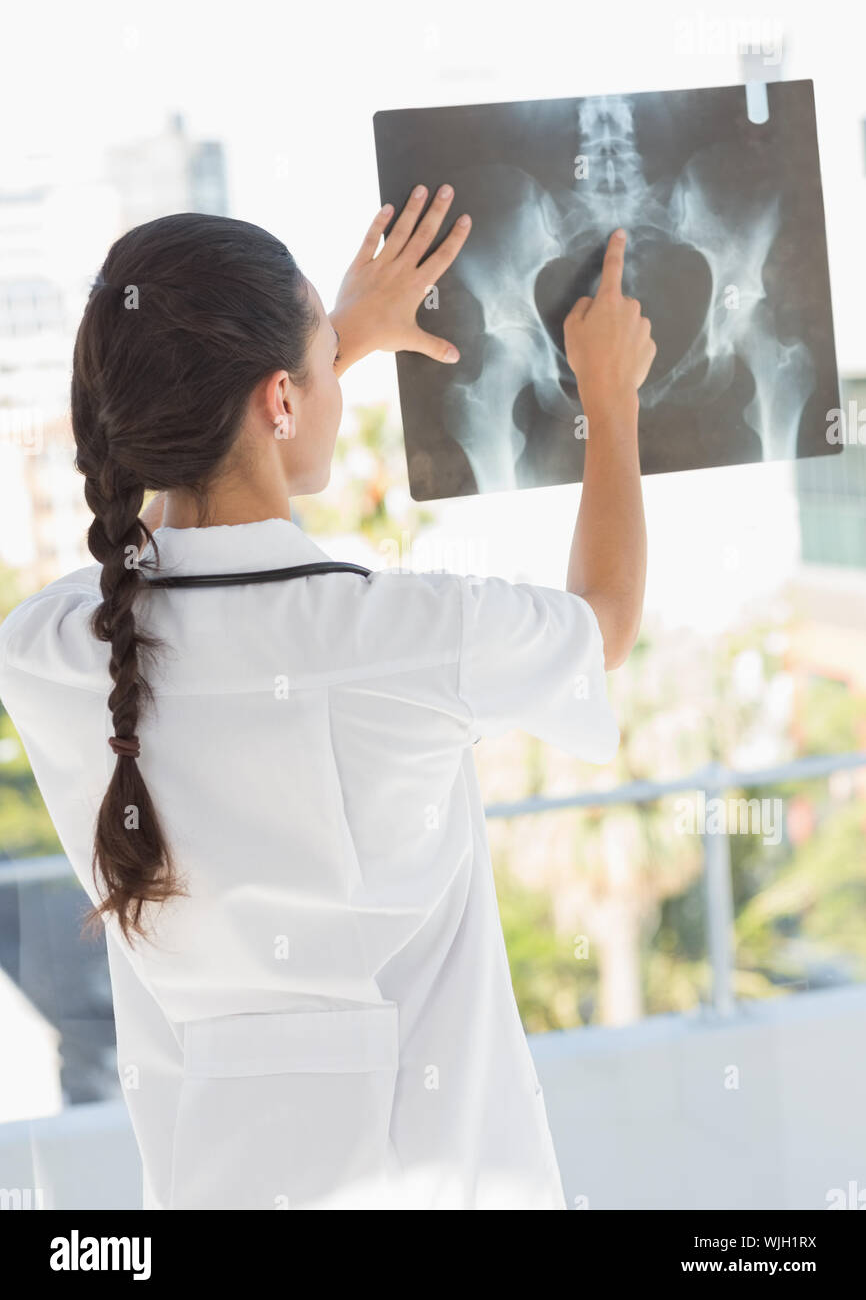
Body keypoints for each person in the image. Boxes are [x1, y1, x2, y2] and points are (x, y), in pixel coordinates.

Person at [0, 189, 654, 1210]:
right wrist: (609, 398)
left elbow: (206, 484)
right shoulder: (411, 636)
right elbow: (603, 621)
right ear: (280, 398)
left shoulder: (48, 655)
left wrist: (308, 351)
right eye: (318, 362)